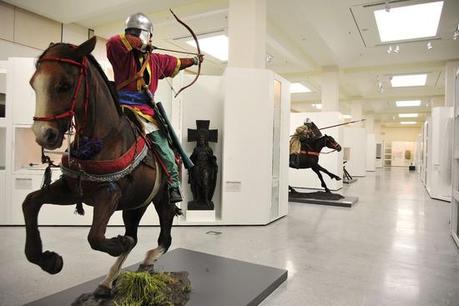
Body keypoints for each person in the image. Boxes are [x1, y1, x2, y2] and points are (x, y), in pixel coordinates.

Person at [106, 12, 203, 204]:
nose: (149, 40)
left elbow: (175, 63)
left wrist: (194, 60)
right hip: (119, 108)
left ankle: (173, 185)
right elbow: (113, 41)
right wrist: (140, 42)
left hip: (145, 113)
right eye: (147, 36)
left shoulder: (155, 60)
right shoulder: (121, 54)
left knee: (164, 148)